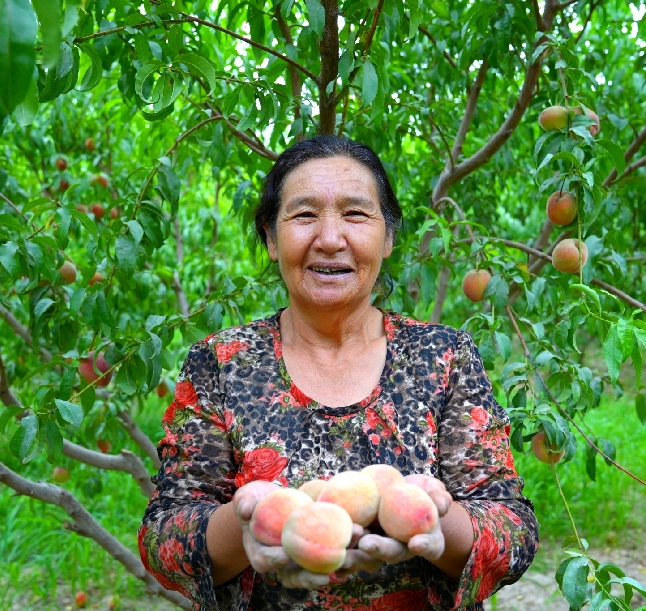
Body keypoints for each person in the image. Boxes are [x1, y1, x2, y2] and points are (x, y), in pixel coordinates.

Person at [138, 135, 538, 610]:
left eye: (355, 214)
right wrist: (243, 527)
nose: (330, 239)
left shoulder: (443, 357)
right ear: (270, 237)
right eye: (304, 215)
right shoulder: (222, 363)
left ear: (388, 237)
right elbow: (163, 538)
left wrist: (438, 523)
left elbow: (513, 531)